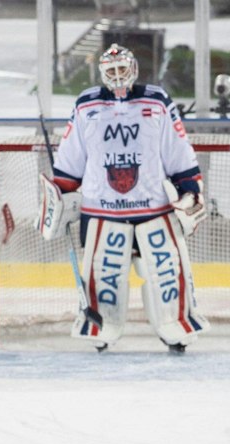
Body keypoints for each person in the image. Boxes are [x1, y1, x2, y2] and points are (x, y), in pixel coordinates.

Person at [41, 44, 207, 352]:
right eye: (111, 71)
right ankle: (102, 325)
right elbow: (71, 154)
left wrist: (188, 184)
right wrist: (62, 190)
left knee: (165, 270)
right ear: (103, 73)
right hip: (101, 209)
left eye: (122, 69)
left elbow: (176, 146)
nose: (117, 76)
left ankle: (175, 326)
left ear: (133, 69)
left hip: (152, 207)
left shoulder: (156, 101)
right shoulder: (86, 105)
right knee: (104, 274)